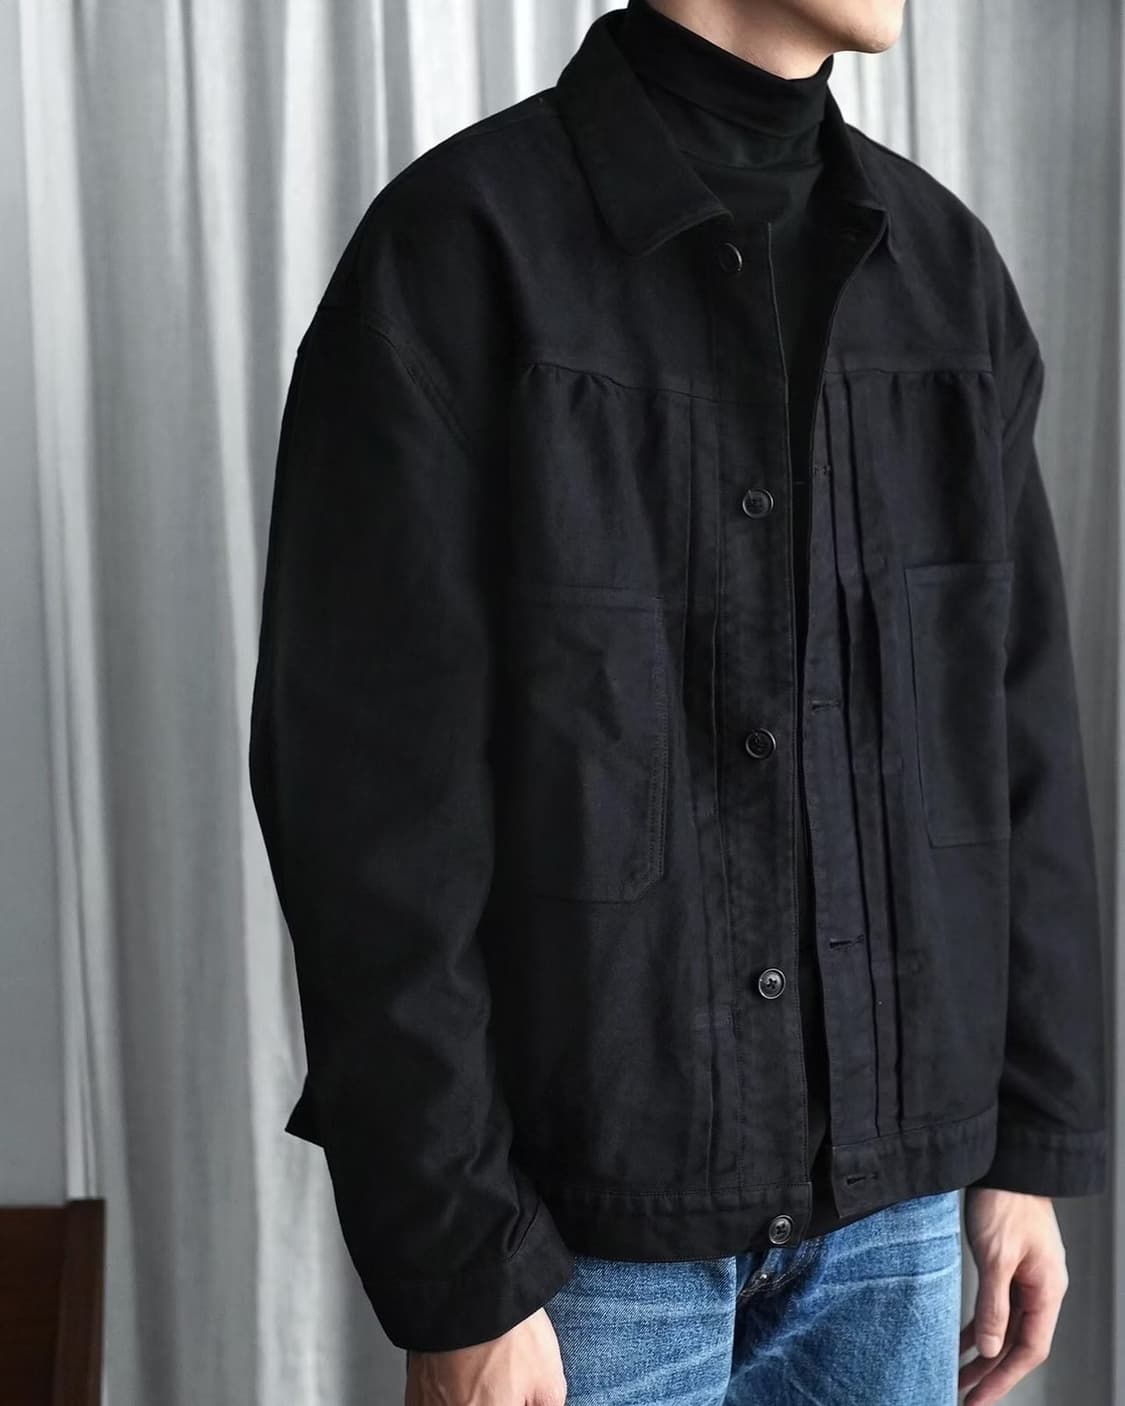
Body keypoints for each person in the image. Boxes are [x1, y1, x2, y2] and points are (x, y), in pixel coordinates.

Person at [247, 1, 1108, 1402]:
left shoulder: (945, 272)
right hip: (578, 1260)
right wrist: (458, 1266)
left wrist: (1032, 1140)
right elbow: (369, 812)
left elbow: (1019, 743)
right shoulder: (462, 250)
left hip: (895, 1226)